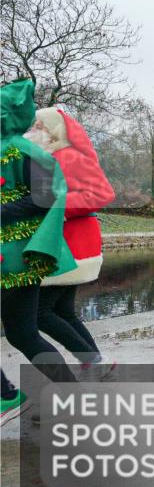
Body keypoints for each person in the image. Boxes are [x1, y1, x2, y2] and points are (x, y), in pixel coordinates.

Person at [25, 108, 117, 380]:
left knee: (41, 312)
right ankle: (97, 363)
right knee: (63, 310)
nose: (35, 131)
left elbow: (102, 193)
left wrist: (58, 208)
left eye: (41, 126)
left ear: (55, 130)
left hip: (73, 241)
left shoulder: (70, 156)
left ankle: (95, 361)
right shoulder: (50, 157)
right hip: (67, 240)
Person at [1, 79, 77, 384]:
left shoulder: (23, 150)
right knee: (23, 334)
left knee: (23, 333)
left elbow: (44, 197)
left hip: (17, 260)